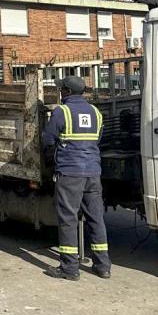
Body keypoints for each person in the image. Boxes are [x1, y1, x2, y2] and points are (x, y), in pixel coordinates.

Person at [41, 76, 111, 281]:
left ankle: (69, 269)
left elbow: (48, 139)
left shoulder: (62, 112)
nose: (60, 92)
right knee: (96, 219)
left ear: (68, 92)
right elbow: (97, 140)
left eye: (62, 89)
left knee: (68, 220)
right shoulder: (96, 113)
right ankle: (103, 266)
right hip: (93, 173)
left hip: (70, 173)